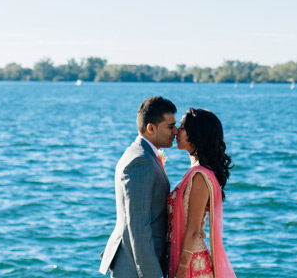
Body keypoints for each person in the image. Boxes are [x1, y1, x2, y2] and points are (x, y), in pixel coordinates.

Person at [101, 96, 179, 278]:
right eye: (170, 126)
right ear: (151, 128)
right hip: (135, 267)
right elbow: (138, 226)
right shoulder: (140, 161)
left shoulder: (143, 155)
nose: (175, 131)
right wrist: (152, 275)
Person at [168, 108, 236, 278]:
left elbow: (193, 230)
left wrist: (181, 273)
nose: (176, 131)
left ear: (196, 134)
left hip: (192, 264)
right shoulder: (198, 171)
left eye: (182, 128)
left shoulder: (199, 176)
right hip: (189, 258)